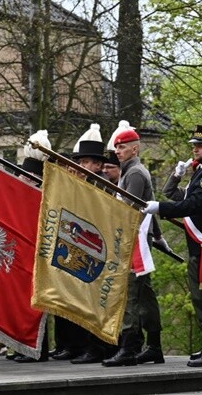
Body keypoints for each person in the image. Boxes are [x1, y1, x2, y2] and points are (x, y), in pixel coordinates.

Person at [145, 124, 202, 367]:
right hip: (200, 247)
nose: (195, 149)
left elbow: (194, 204)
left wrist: (160, 208)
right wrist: (177, 175)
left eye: (201, 145)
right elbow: (175, 195)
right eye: (194, 146)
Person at [103, 123, 163, 367]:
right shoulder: (130, 171)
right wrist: (158, 235)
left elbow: (130, 209)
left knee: (130, 295)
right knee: (145, 295)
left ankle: (129, 348)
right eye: (117, 147)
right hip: (138, 238)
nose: (118, 151)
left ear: (135, 149)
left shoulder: (135, 173)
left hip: (134, 241)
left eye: (123, 147)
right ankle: (153, 346)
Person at [66, 126, 114, 365]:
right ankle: (87, 345)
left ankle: (99, 347)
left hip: (100, 247)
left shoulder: (105, 186)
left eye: (86, 162)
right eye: (80, 162)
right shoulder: (84, 184)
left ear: (97, 164)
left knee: (98, 301)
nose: (82, 167)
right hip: (84, 247)